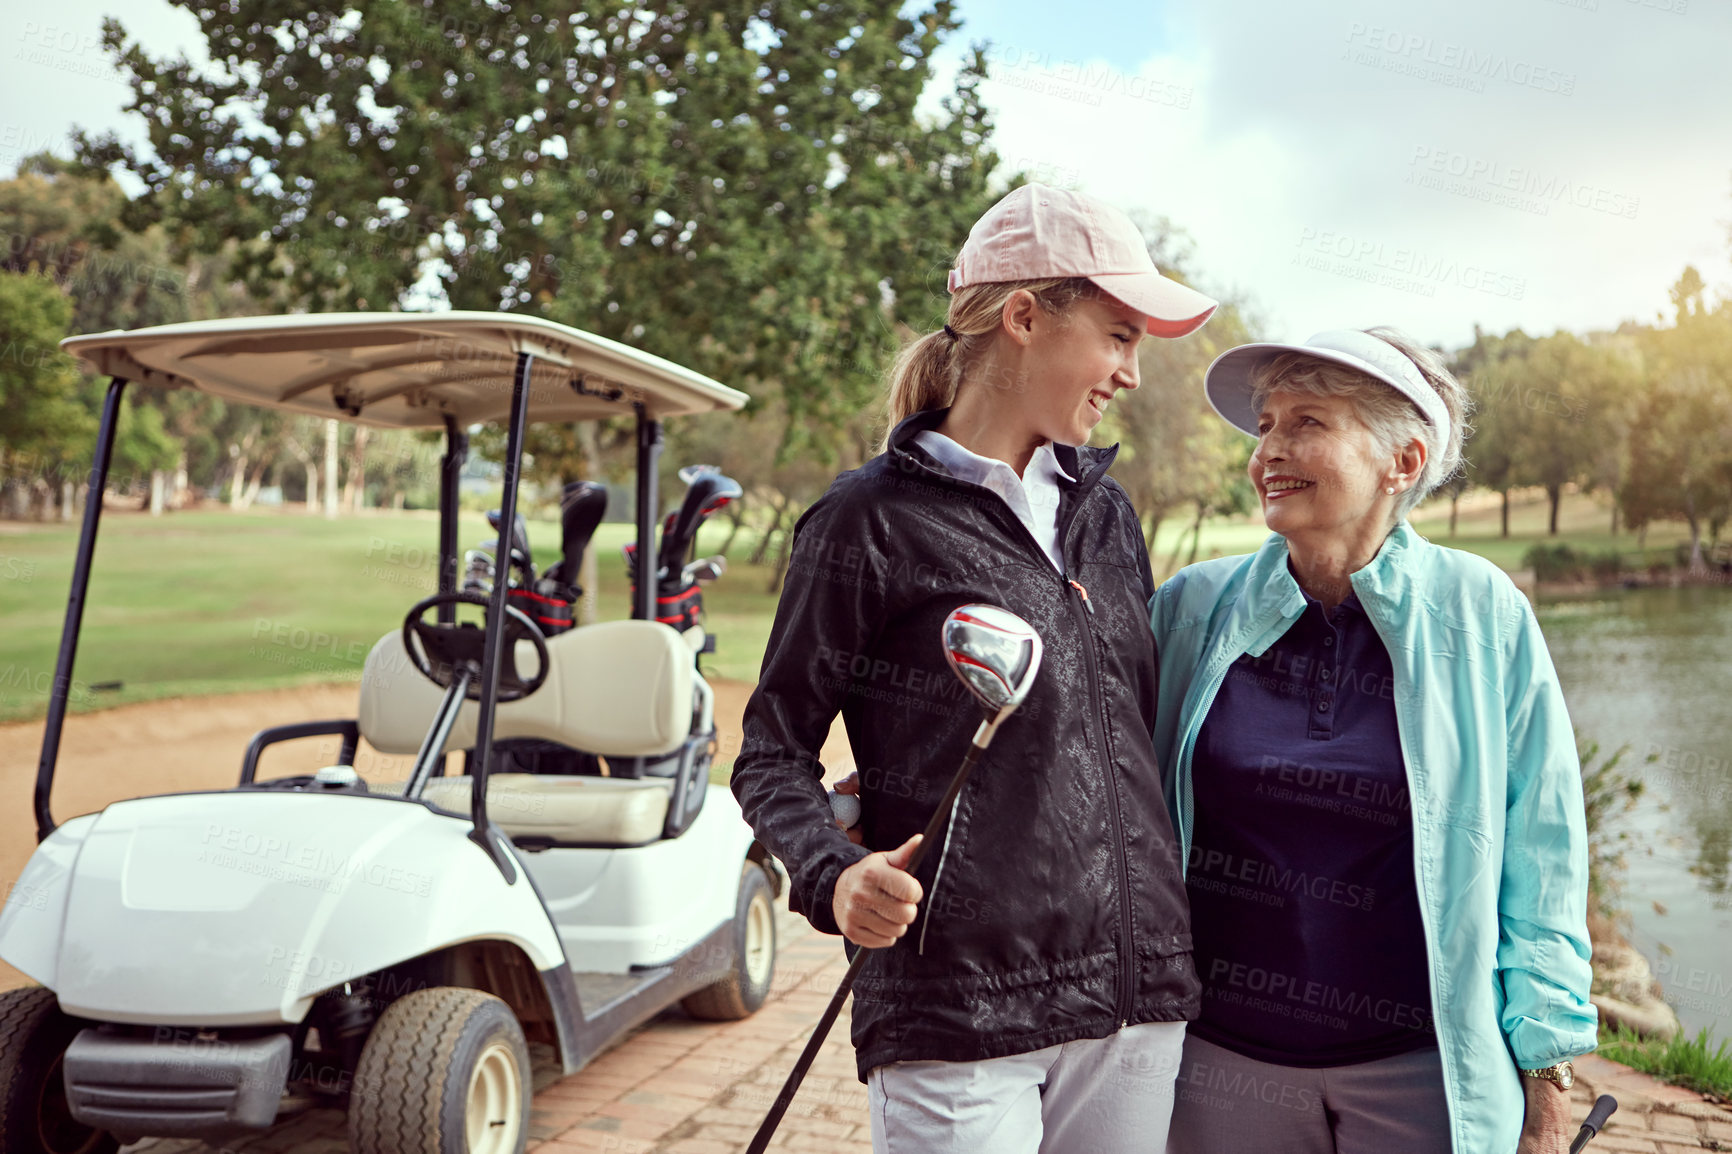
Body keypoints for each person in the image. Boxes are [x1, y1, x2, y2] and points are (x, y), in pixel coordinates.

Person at [731, 183, 1217, 1153]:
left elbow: (1130, 729)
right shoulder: (865, 521)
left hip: (1133, 994)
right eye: (1118, 335)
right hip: (958, 1011)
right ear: (1025, 316)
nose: (1129, 371)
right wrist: (833, 873)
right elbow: (769, 752)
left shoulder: (1104, 513)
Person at [1150, 329, 1597, 1153]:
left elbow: (1544, 852)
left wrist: (1547, 1068)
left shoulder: (1481, 613)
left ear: (1404, 461)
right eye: (1267, 423)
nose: (1269, 452)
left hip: (1425, 1073)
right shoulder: (1191, 608)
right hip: (1219, 1065)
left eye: (1308, 423)